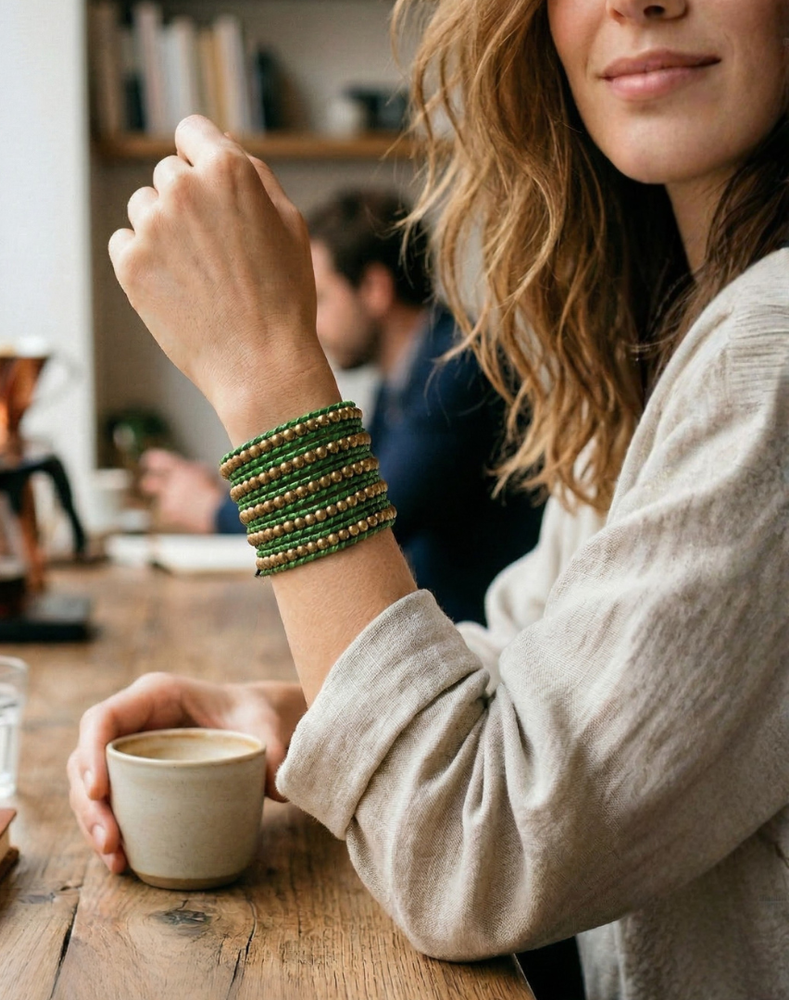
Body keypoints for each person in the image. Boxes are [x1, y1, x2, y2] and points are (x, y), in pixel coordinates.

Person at [69, 1, 789, 998]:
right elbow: (543, 676)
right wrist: (290, 717)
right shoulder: (667, 328)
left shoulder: (771, 351)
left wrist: (266, 376)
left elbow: (470, 858)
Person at [139, 189, 544, 624]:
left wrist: (212, 511)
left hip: (483, 637)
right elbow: (346, 483)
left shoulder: (458, 369)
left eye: (321, 298)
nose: (311, 322)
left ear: (374, 288)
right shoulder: (410, 371)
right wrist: (228, 498)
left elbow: (358, 517)